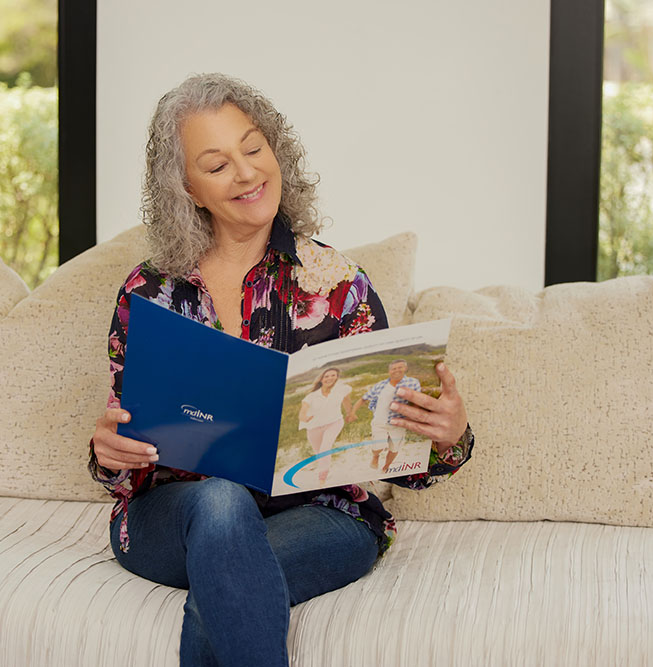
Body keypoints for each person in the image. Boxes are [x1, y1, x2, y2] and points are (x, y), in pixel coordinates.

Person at [88, 73, 474, 667]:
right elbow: (127, 450)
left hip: (322, 517)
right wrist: (110, 451)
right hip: (178, 516)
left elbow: (399, 459)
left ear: (276, 151)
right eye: (216, 165)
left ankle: (226, 567)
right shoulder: (149, 292)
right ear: (186, 188)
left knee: (228, 580)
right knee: (220, 507)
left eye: (253, 148)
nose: (246, 173)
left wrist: (450, 438)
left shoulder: (341, 285)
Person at [347, 360, 420, 473]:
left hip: (398, 423)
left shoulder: (413, 382)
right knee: (378, 446)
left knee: (394, 448)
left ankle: (386, 466)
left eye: (399, 367)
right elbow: (363, 399)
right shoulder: (380, 385)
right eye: (393, 368)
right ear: (389, 371)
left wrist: (413, 416)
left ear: (405, 368)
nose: (396, 370)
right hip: (379, 422)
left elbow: (417, 401)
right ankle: (375, 456)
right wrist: (352, 413)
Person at [297, 367, 352, 485]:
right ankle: (325, 469)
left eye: (333, 375)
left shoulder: (342, 389)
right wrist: (304, 418)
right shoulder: (311, 396)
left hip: (335, 422)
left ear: (337, 377)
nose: (330, 378)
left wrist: (349, 413)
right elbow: (302, 412)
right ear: (321, 379)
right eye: (326, 376)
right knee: (319, 453)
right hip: (313, 427)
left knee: (325, 449)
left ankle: (322, 479)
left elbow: (346, 400)